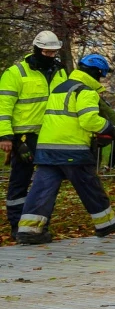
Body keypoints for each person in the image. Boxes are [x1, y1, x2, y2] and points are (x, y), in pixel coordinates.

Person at [16, 54, 115, 244]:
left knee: (41, 190)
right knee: (90, 186)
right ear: (96, 73)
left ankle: (29, 231)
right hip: (72, 150)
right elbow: (89, 120)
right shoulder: (85, 91)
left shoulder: (59, 88)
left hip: (47, 149)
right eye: (101, 75)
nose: (101, 79)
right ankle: (106, 224)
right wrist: (109, 127)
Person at [0, 30, 68, 238]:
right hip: (24, 137)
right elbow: (3, 106)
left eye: (53, 52)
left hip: (52, 135)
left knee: (48, 180)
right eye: (47, 52)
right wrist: (4, 136)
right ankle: (16, 224)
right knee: (20, 181)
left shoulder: (60, 71)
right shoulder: (15, 73)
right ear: (37, 49)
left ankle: (38, 224)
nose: (50, 56)